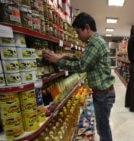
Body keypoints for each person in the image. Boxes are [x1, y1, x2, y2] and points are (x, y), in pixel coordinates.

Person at [42, 12, 115, 141]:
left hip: (103, 95)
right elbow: (87, 60)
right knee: (102, 127)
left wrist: (57, 61)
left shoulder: (95, 43)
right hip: (104, 93)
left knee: (103, 129)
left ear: (87, 28)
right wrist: (69, 56)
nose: (77, 36)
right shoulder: (95, 42)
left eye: (78, 32)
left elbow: (82, 66)